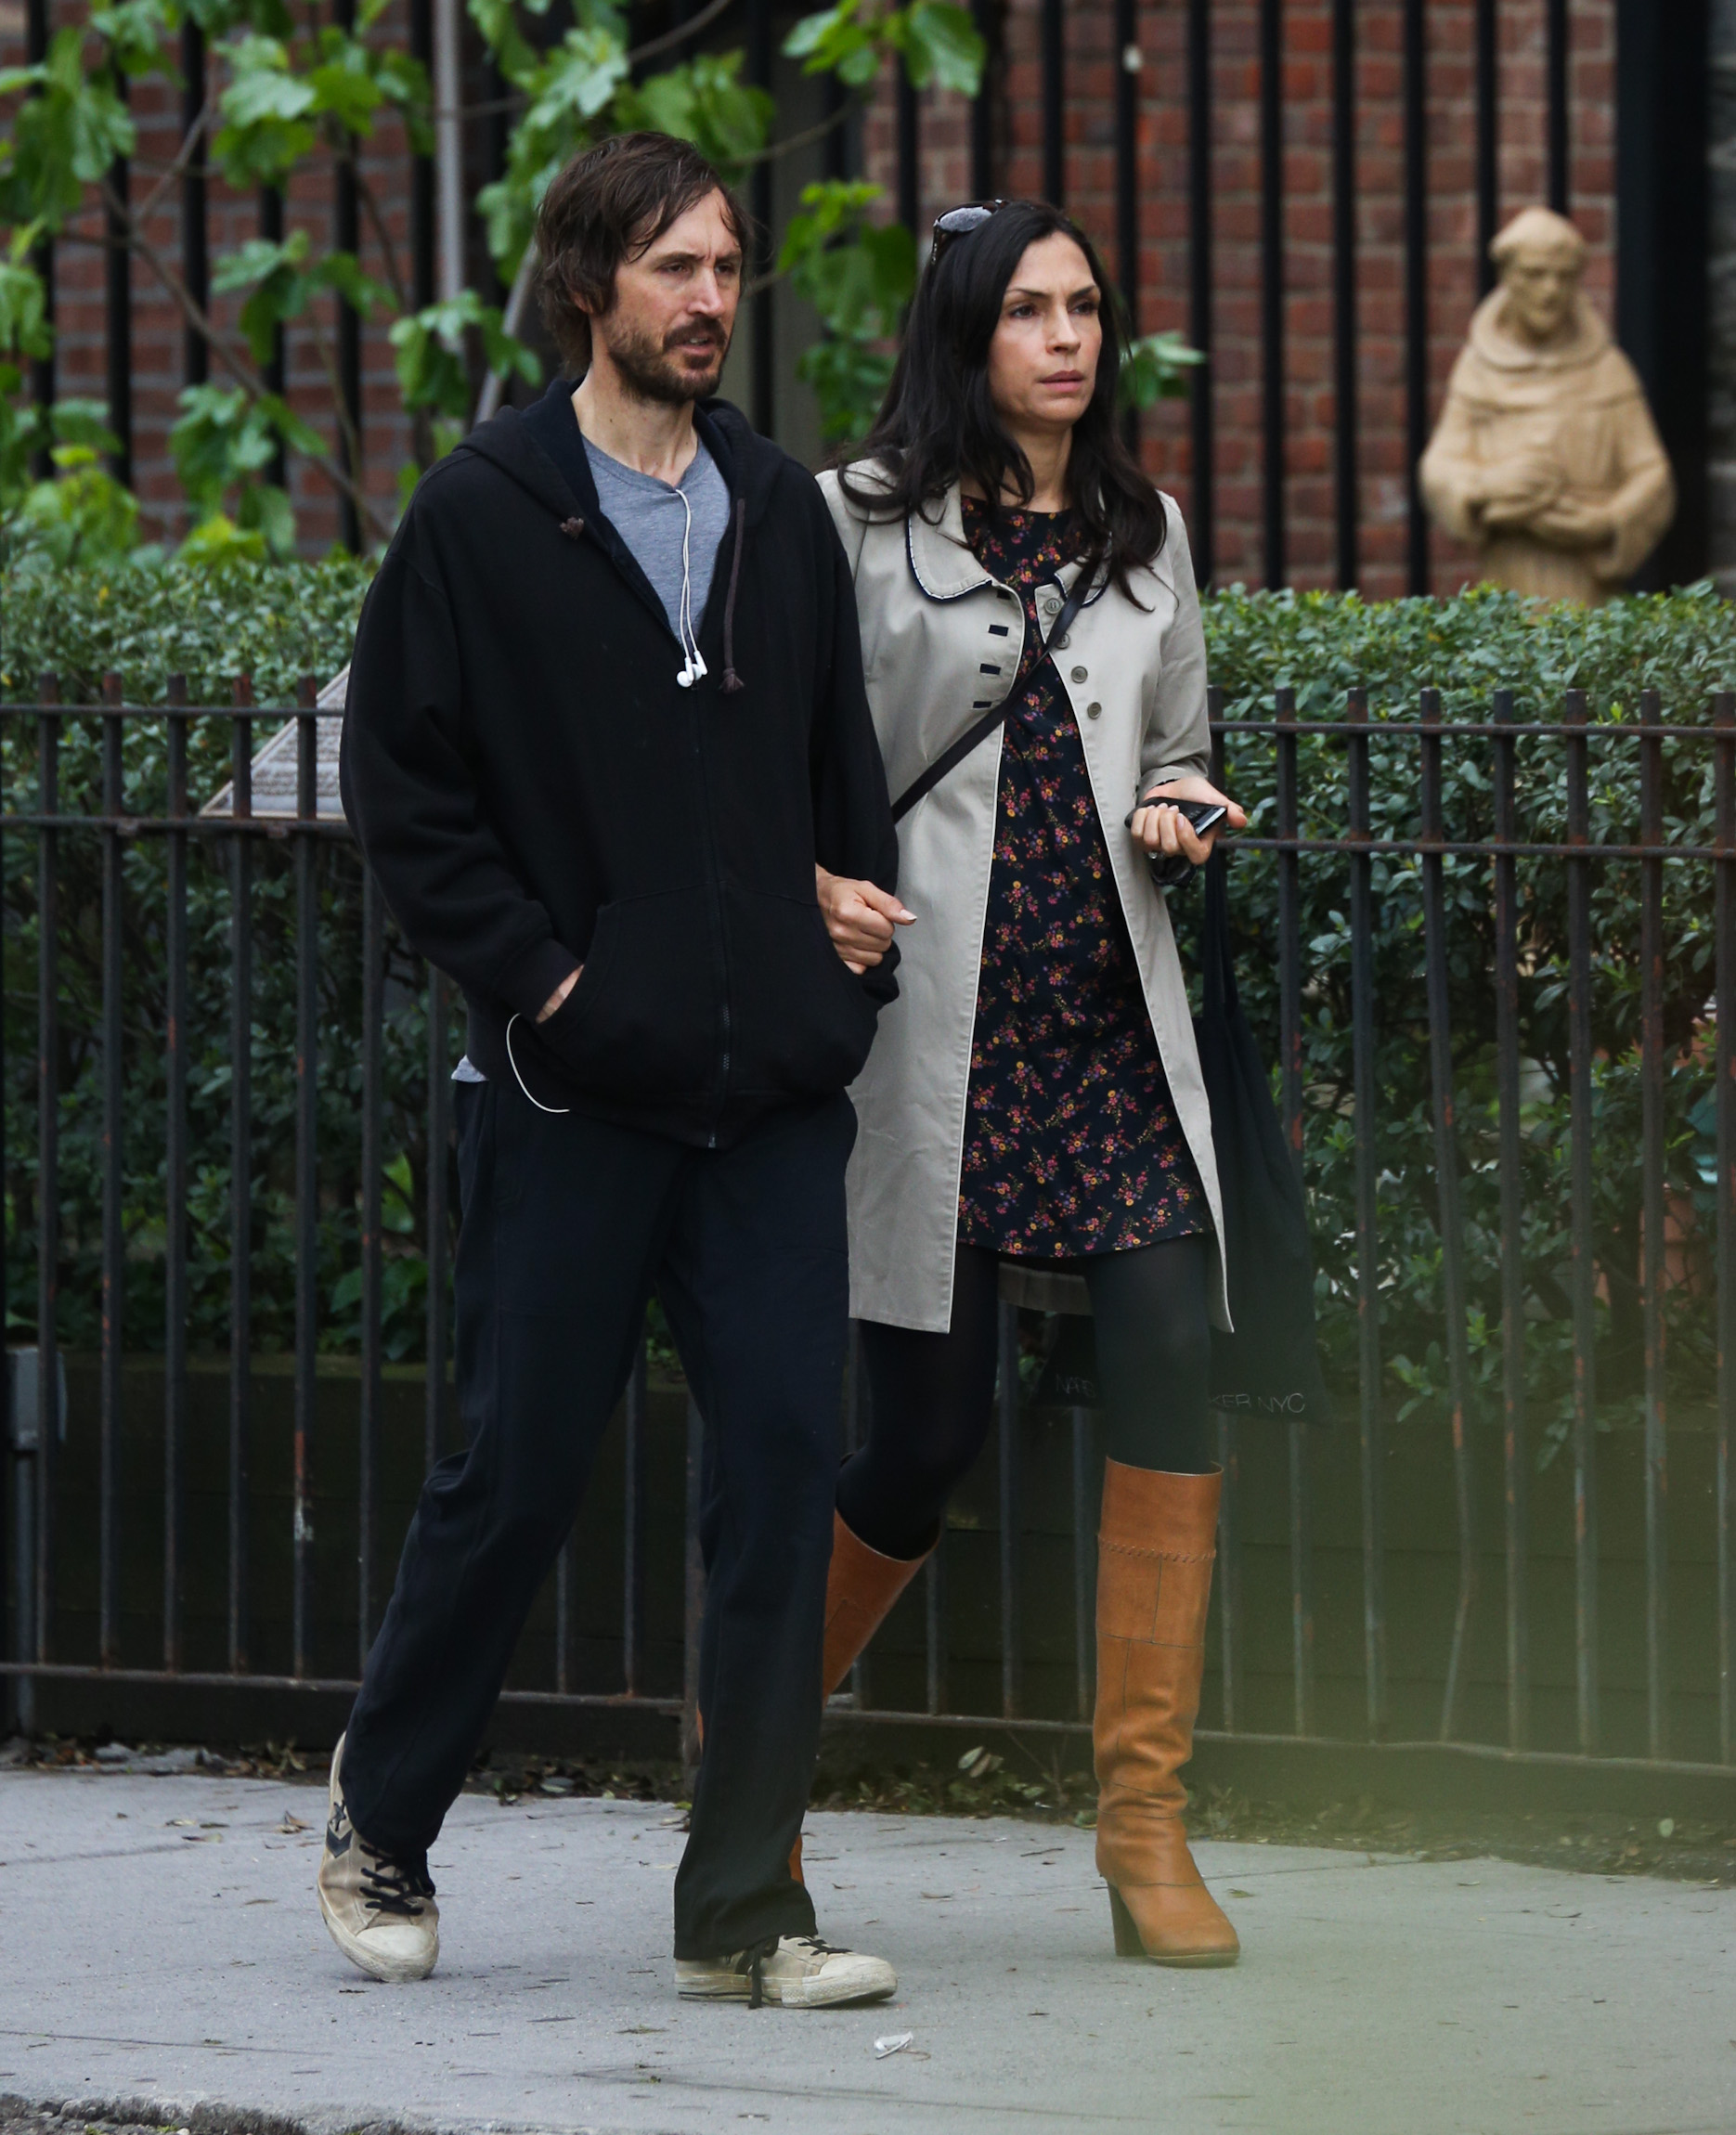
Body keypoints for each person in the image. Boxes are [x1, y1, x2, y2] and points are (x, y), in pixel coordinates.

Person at [323, 131, 901, 2011]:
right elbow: (408, 794)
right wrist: (553, 987)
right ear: (591, 287)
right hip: (574, 1096)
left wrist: (838, 930)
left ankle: (744, 1908)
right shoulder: (485, 514)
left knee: (783, 1475)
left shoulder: (778, 508)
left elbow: (830, 766)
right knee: (518, 1473)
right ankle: (382, 1816)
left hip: (768, 1102)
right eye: (677, 269)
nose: (712, 300)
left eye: (726, 267)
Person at [810, 197, 1249, 1967]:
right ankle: (749, 1741)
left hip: (1105, 1028)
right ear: (965, 333)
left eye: (1084, 309)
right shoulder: (857, 522)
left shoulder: (1149, 532)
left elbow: (1184, 747)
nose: (1066, 339)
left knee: (1171, 1355)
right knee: (925, 1436)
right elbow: (785, 759)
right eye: (1027, 311)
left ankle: (1145, 1828)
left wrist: (1185, 808)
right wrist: (809, 886)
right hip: (936, 1037)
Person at [1419, 204, 1674, 604]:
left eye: (1564, 276)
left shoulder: (1606, 368)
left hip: (1588, 588)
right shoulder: (1479, 367)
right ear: (1507, 277)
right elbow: (1440, 465)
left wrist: (1606, 521)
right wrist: (1486, 486)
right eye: (1535, 274)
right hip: (1507, 579)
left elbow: (1652, 474)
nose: (1550, 290)